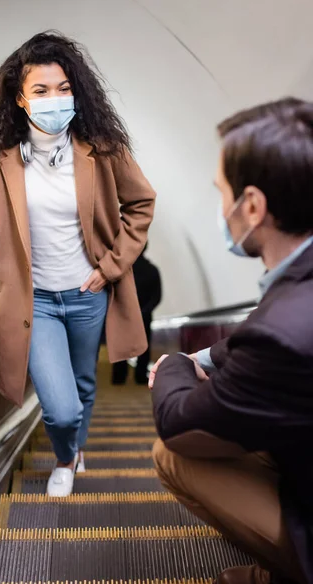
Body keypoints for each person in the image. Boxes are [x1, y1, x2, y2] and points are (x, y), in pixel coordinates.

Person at [0, 31, 156, 497]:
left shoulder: (102, 151)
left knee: (85, 383)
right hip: (36, 302)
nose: (55, 99)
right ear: (20, 100)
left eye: (64, 88)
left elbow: (141, 203)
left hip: (88, 296)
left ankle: (75, 451)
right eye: (41, 91)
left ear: (77, 93)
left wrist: (110, 266)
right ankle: (66, 455)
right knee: (61, 405)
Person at [149, 98, 313, 584]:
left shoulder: (283, 334)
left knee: (174, 453)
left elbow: (177, 423)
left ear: (254, 206)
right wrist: (206, 362)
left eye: (222, 192)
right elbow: (261, 327)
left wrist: (176, 364)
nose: (221, 209)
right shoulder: (296, 288)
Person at [112, 242, 161, 384]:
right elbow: (157, 296)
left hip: (123, 315)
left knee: (121, 347)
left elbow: (115, 293)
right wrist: (144, 311)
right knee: (144, 347)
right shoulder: (152, 270)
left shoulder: (122, 270)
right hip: (144, 316)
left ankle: (119, 377)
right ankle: (140, 376)